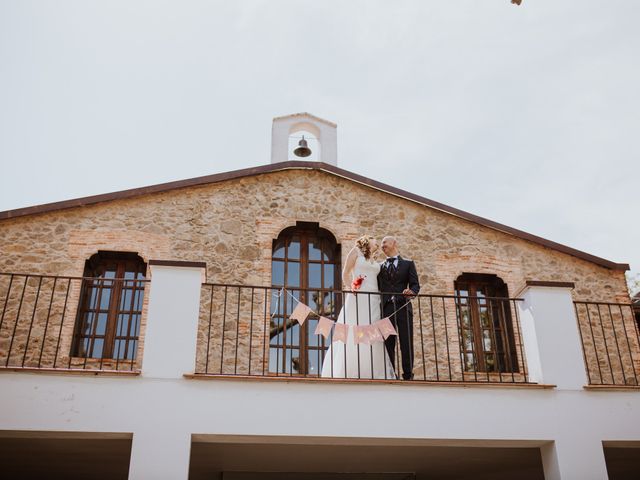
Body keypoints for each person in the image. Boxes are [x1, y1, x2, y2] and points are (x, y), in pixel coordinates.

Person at [320, 235, 396, 379]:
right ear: (368, 240)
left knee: (372, 331)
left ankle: (372, 370)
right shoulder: (356, 252)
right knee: (353, 328)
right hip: (358, 296)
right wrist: (351, 288)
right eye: (375, 241)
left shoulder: (375, 260)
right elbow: (345, 273)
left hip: (373, 299)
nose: (377, 244)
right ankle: (348, 369)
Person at [377, 236, 420, 380]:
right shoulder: (379, 266)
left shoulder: (408, 264)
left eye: (384, 243)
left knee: (406, 342)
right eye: (382, 244)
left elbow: (415, 285)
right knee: (388, 343)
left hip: (403, 307)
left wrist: (411, 292)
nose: (382, 246)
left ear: (394, 243)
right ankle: (390, 374)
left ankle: (408, 375)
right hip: (386, 309)